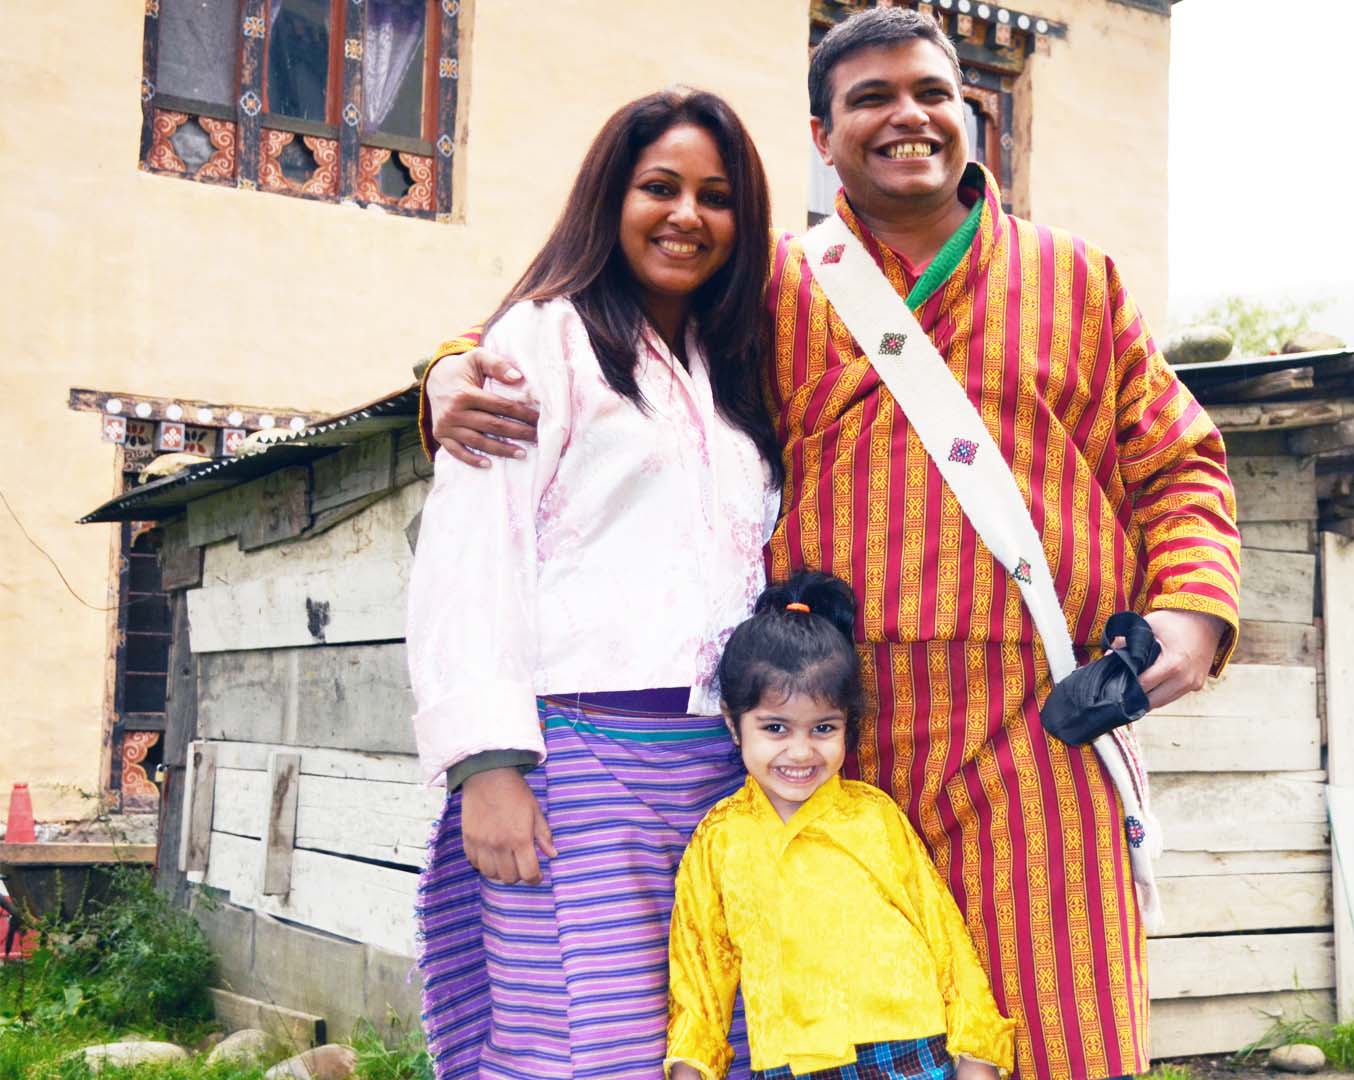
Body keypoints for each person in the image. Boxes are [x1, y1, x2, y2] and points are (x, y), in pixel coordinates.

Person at [419, 11, 1243, 1078]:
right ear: (822, 136)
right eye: (871, 98)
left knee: (1061, 1032)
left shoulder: (1079, 283)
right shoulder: (766, 290)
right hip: (825, 734)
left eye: (933, 92)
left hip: (1038, 729)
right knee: (824, 1041)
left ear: (969, 113)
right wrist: (446, 368)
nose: (908, 116)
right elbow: (600, 316)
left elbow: (1181, 460)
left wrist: (1189, 609)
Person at [406, 88, 781, 1080]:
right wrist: (487, 763)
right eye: (660, 187)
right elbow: (469, 548)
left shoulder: (735, 365)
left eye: (715, 195)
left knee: (712, 1044)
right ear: (610, 200)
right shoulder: (541, 339)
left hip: (723, 770)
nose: (686, 216)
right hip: (573, 762)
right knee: (578, 1048)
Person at [664, 571, 1014, 1080]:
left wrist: (977, 1051)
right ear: (732, 722)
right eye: (775, 728)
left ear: (848, 725)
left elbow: (946, 940)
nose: (801, 752)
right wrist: (690, 1067)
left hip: (909, 1055)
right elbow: (698, 973)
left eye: (823, 728)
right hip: (790, 1065)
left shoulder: (873, 816)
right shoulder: (719, 840)